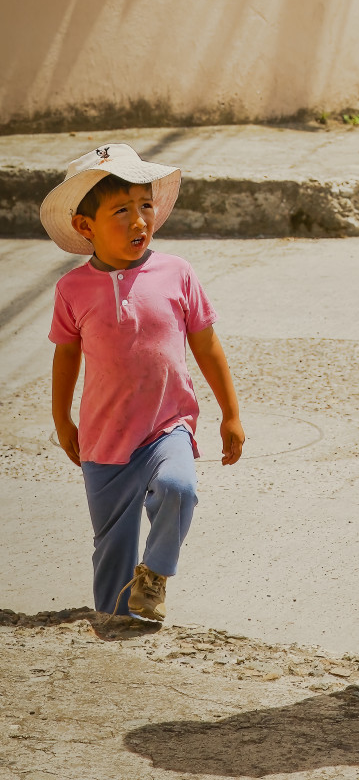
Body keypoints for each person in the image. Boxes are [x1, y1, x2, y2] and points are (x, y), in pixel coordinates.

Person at [40, 143, 245, 622]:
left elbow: (207, 346)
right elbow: (66, 356)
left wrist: (231, 414)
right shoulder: (72, 290)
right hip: (103, 438)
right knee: (111, 547)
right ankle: (116, 627)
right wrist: (61, 417)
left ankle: (154, 573)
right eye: (121, 211)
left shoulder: (177, 273)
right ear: (84, 226)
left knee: (180, 489)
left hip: (166, 426)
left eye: (145, 206)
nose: (139, 221)